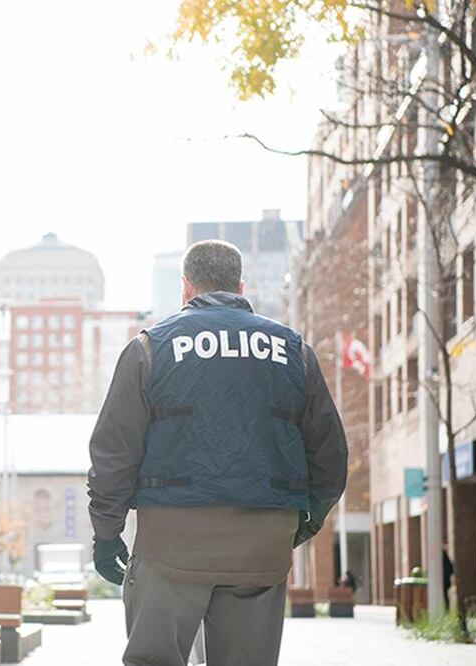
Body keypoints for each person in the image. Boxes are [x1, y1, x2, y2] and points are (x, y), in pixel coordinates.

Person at [87, 240, 348, 666]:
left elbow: (114, 453)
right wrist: (306, 518)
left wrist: (106, 533)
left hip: (172, 539)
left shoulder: (151, 348)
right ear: (240, 287)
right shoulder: (293, 351)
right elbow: (330, 453)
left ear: (186, 287)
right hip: (262, 539)